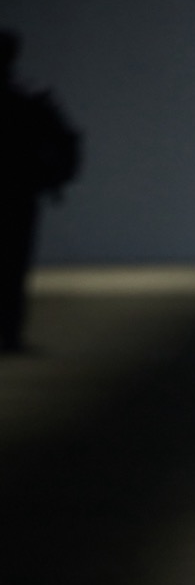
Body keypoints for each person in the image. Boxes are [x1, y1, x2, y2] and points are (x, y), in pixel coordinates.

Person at [0, 29, 81, 352]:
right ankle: (10, 335)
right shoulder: (31, 97)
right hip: (19, 191)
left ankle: (10, 335)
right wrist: (57, 179)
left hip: (20, 190)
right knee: (13, 265)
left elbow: (66, 140)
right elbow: (67, 140)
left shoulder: (31, 98)